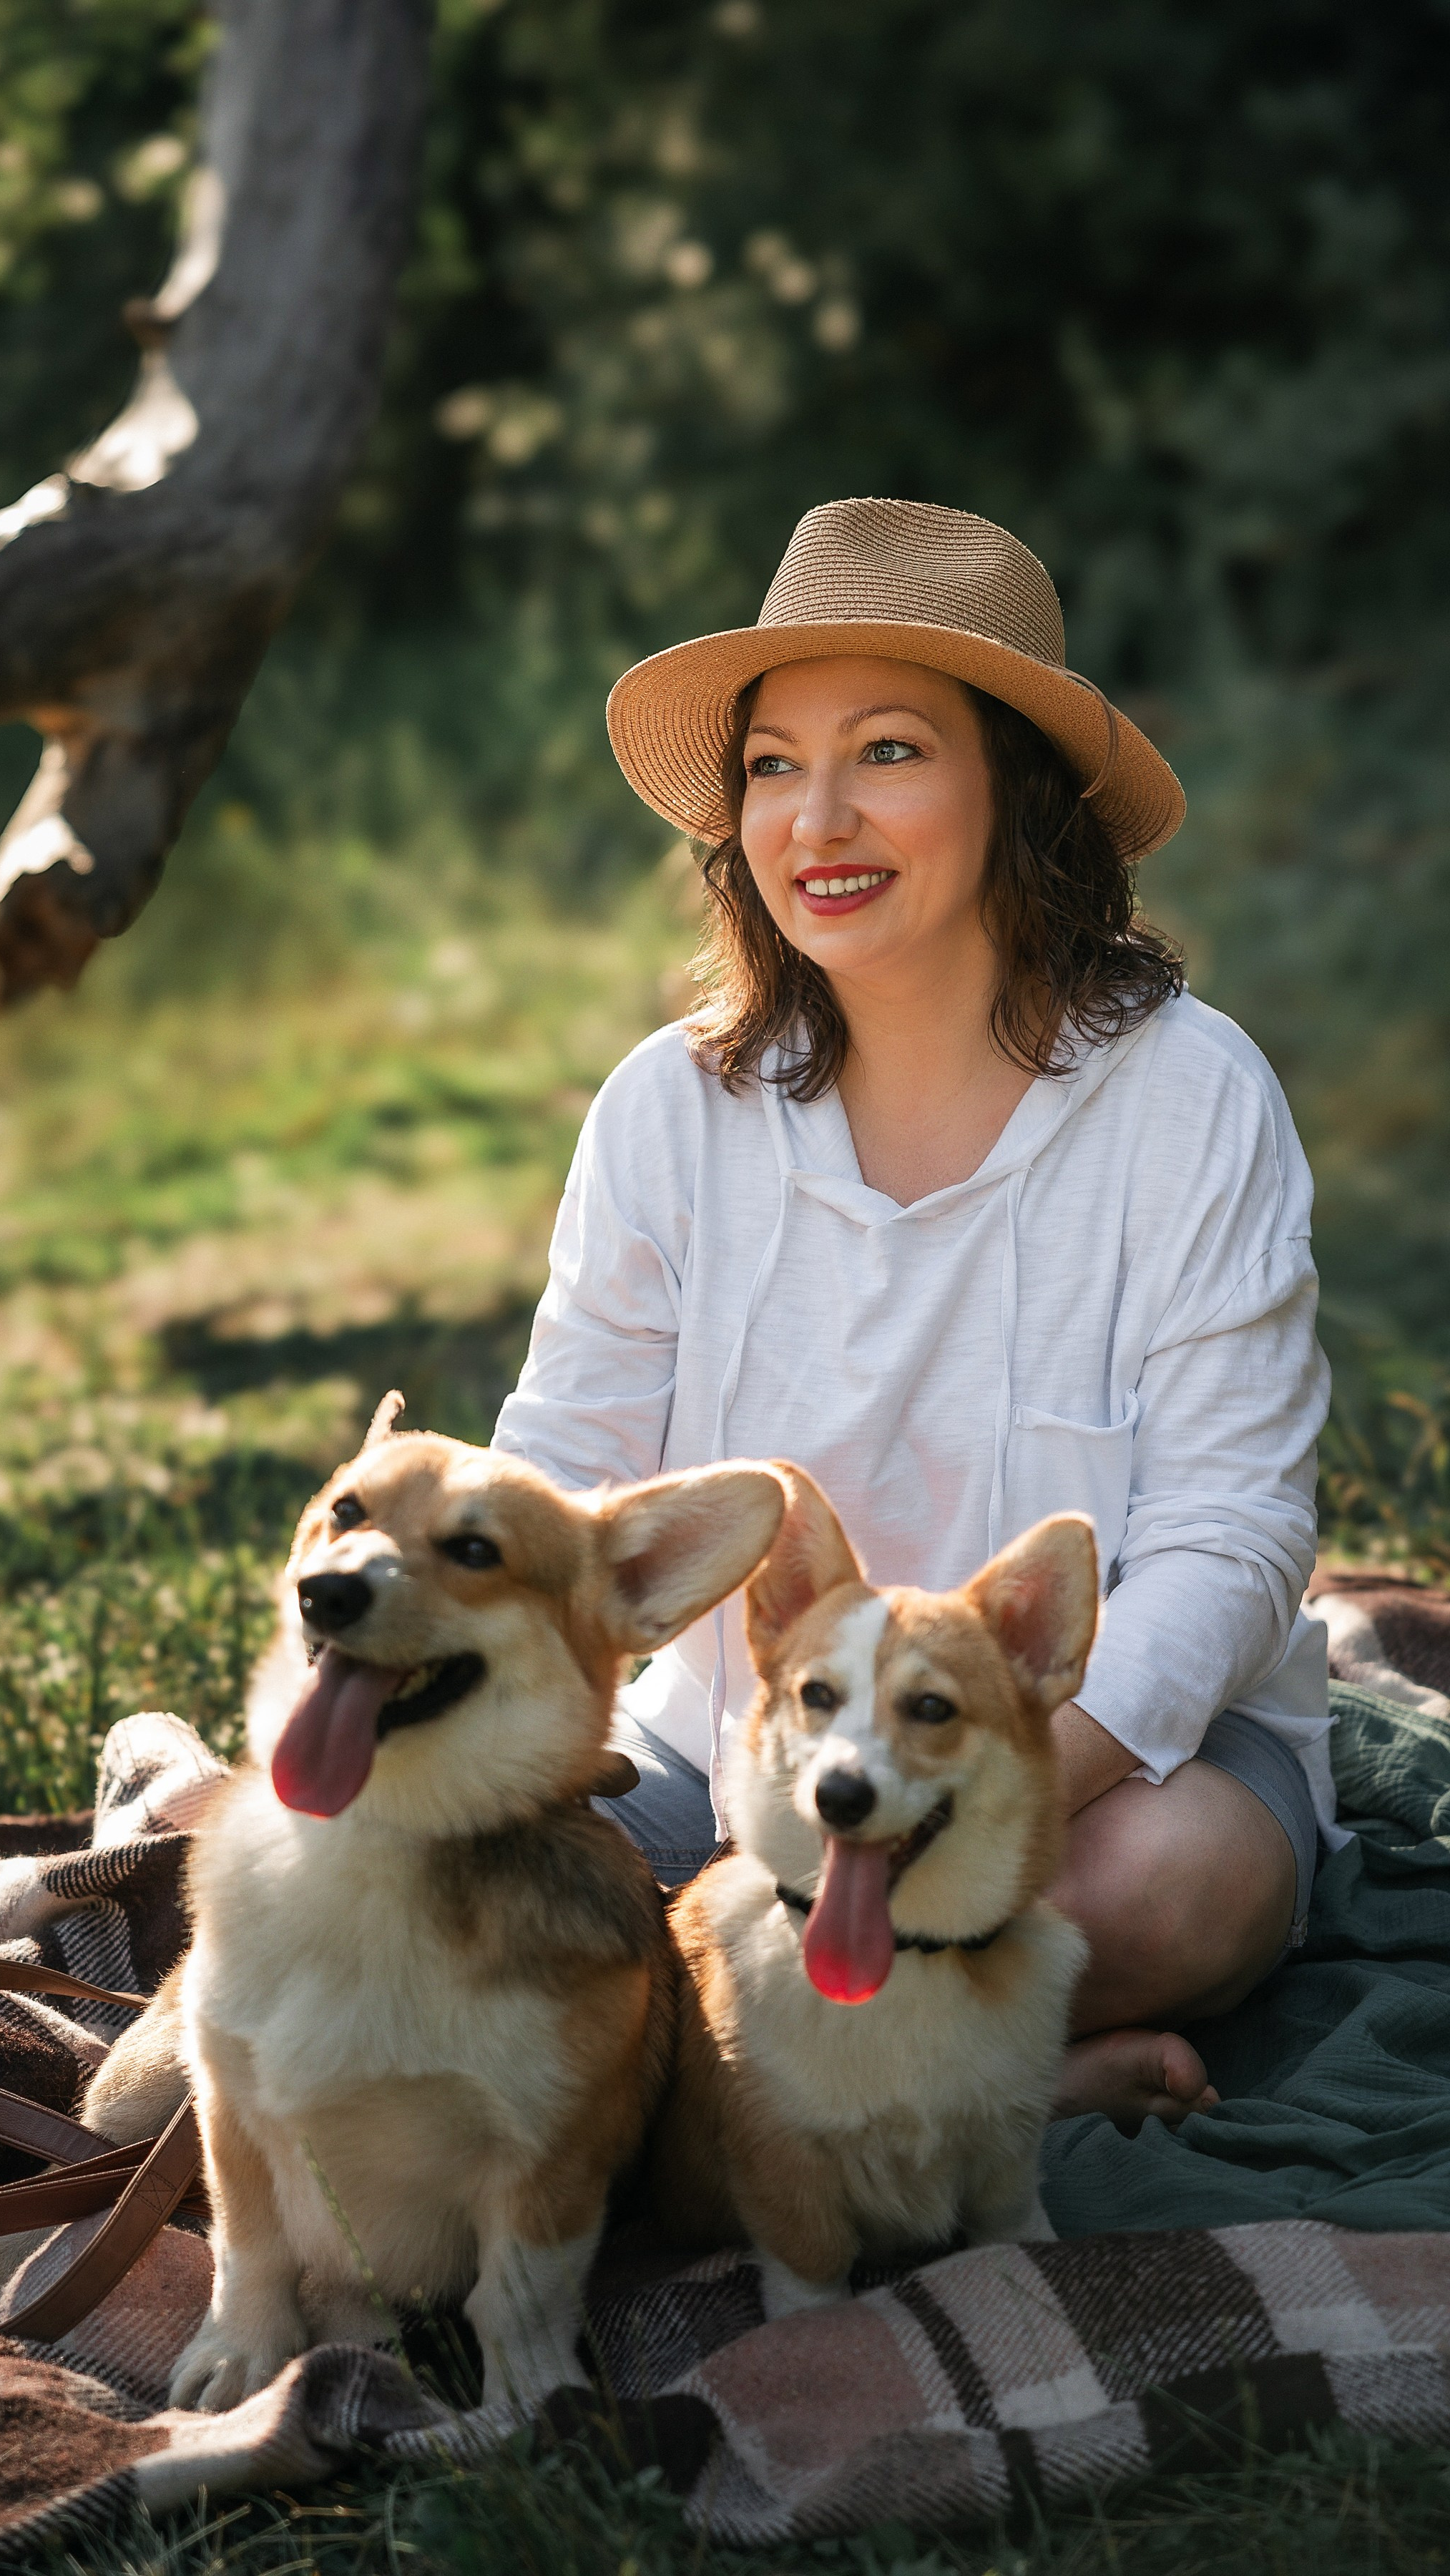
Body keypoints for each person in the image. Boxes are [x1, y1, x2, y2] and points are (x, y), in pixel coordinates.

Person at [493, 497, 1337, 2133]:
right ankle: (978, 2090)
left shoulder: (1190, 1099)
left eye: (887, 751)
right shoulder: (668, 1112)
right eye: (769, 766)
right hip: (740, 1762)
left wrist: (955, 1815)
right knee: (487, 1907)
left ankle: (735, 2080)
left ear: (1017, 789)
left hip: (1089, 1774)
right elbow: (568, 1485)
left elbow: (1233, 1536)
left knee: (1173, 1892)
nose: (817, 818)